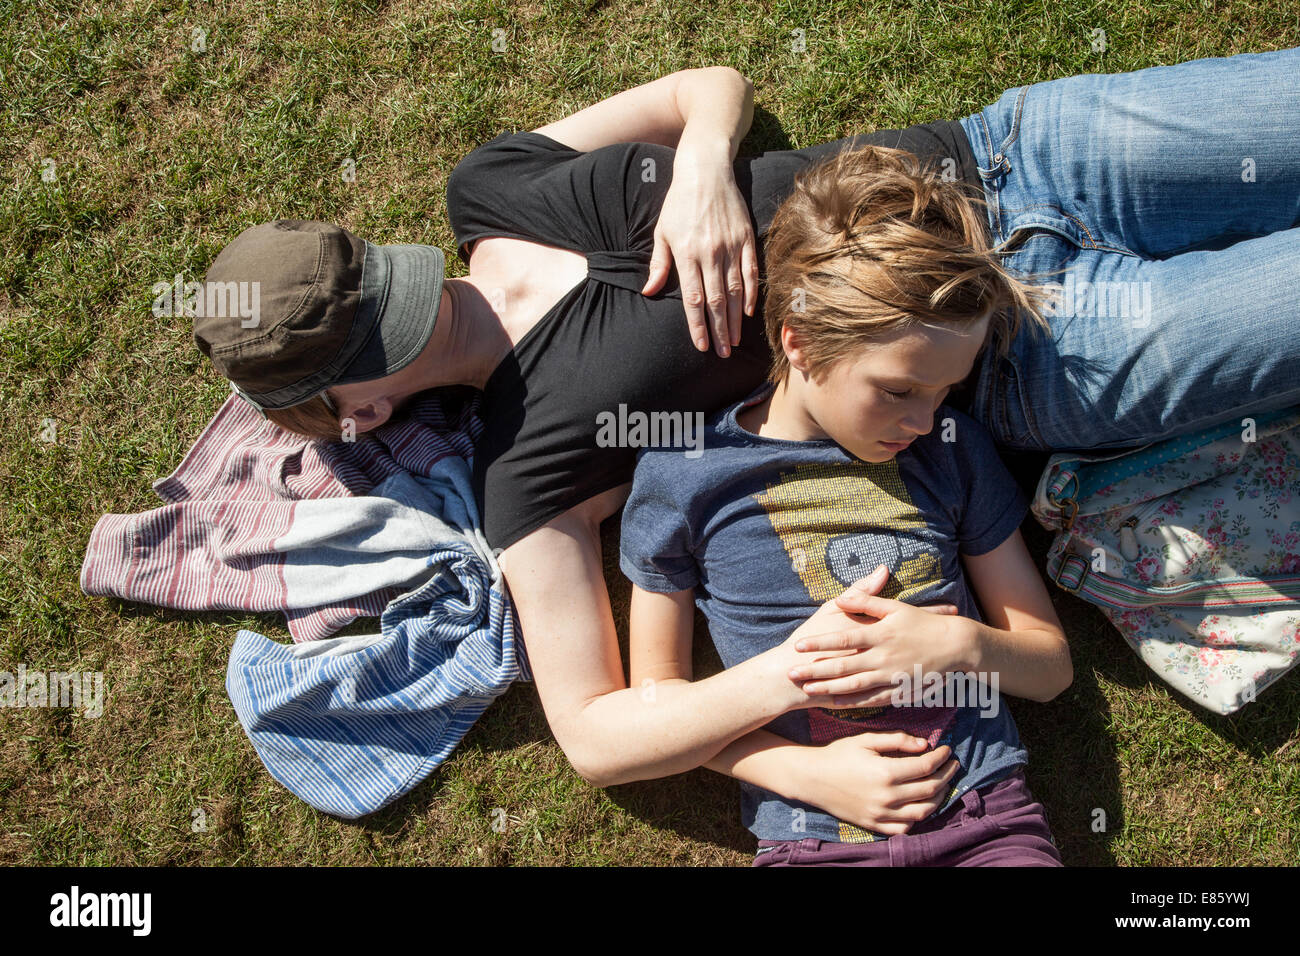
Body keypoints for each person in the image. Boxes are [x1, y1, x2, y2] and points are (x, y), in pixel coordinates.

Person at [191, 51, 1300, 834]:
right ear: (361, 406)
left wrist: (705, 168)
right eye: (377, 325)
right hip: (1026, 351)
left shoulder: (488, 186)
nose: (411, 288)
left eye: (373, 271)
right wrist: (784, 685)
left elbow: (702, 86)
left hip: (1007, 153)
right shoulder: (521, 474)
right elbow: (596, 733)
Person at [618, 142, 1072, 865]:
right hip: (811, 838)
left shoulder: (950, 451)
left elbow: (1049, 668)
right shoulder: (685, 477)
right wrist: (803, 773)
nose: (924, 420)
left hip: (984, 814)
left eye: (945, 392)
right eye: (898, 391)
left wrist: (959, 646)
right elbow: (657, 711)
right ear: (798, 344)